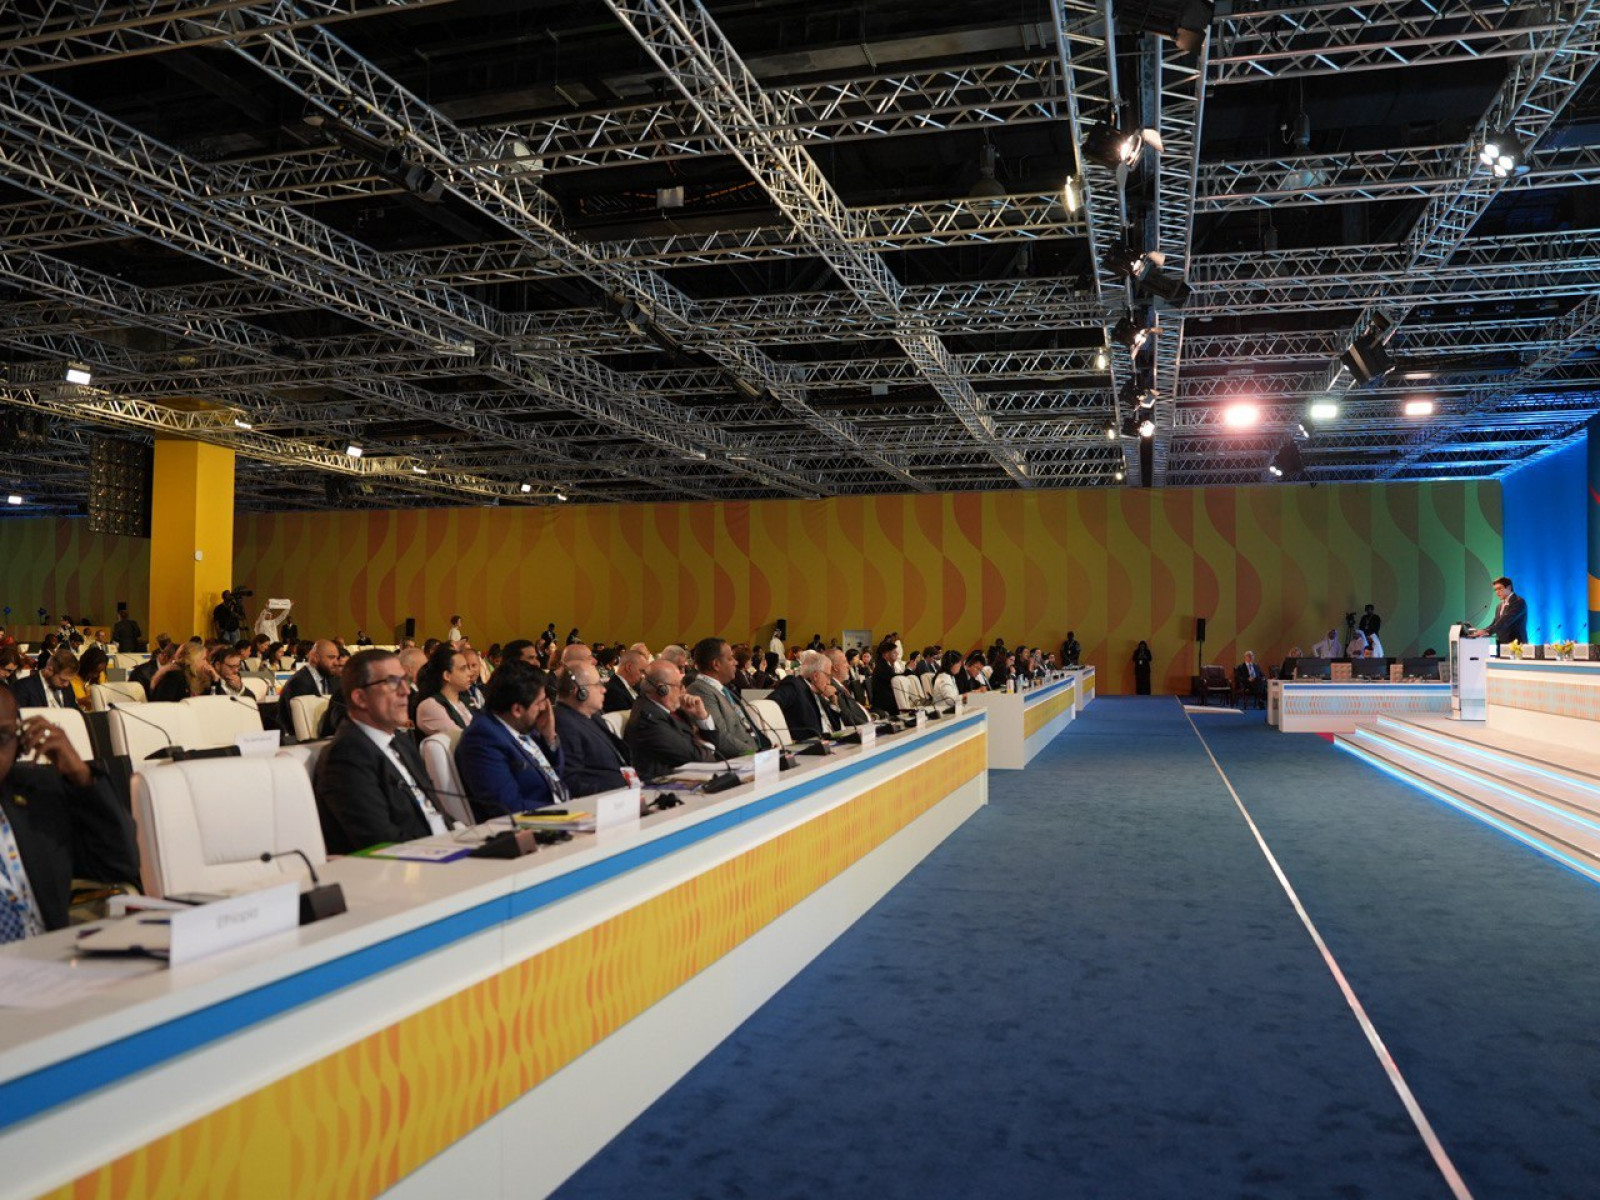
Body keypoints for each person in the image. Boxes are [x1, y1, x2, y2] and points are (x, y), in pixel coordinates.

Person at [0, 688, 140, 939]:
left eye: (1, 737)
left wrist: (81, 777)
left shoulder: (36, 793)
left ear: (20, 743)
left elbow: (118, 865)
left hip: (52, 956)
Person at [314, 650, 453, 854]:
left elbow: (433, 811)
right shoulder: (345, 757)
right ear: (360, 698)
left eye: (405, 680)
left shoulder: (401, 741)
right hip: (414, 862)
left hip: (447, 847)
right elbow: (380, 842)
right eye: (393, 682)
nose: (406, 691)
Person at [455, 662, 567, 819]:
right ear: (517, 710)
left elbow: (556, 776)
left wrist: (549, 737)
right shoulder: (482, 740)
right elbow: (509, 807)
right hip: (540, 823)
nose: (545, 708)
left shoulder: (523, 725)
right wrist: (566, 811)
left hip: (562, 810)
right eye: (539, 702)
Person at [624, 661, 721, 780]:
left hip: (692, 776)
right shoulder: (648, 720)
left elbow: (714, 749)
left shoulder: (673, 710)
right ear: (662, 689)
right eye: (679, 686)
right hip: (665, 784)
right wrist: (705, 746)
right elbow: (697, 758)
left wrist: (702, 717)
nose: (684, 690)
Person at [552, 663, 634, 798]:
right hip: (605, 798)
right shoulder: (564, 724)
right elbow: (573, 781)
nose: (604, 690)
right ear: (580, 691)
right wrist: (620, 791)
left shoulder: (593, 716)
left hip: (625, 790)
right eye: (597, 685)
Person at [688, 637, 772, 757]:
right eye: (730, 658)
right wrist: (757, 754)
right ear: (716, 664)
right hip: (742, 759)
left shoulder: (723, 688)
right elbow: (721, 737)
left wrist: (769, 749)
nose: (736, 663)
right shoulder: (700, 690)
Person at [771, 651, 841, 741]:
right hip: (810, 746)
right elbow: (769, 705)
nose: (829, 682)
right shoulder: (794, 686)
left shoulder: (820, 694)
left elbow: (837, 728)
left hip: (831, 742)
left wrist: (833, 701)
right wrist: (784, 738)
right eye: (828, 676)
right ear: (816, 676)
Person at [414, 644, 477, 736]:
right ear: (447, 675)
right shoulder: (430, 706)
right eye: (463, 669)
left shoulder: (468, 701)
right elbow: (462, 739)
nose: (470, 673)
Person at [1470, 576, 1529, 645]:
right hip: (1501, 644)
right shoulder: (1499, 606)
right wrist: (1483, 631)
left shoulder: (1518, 602)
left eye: (1500, 588)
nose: (1497, 592)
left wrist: (1487, 631)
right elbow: (1495, 623)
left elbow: (1505, 621)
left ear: (1509, 588)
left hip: (1516, 645)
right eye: (1495, 590)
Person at [14, 649, 78, 710]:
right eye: (63, 680)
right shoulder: (23, 688)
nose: (66, 684)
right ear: (49, 670)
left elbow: (75, 710)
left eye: (69, 680)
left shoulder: (67, 688)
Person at [825, 649, 873, 726]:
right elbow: (849, 717)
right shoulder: (834, 688)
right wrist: (869, 724)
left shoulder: (839, 685)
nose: (848, 666)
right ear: (836, 667)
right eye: (845, 662)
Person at [869, 638, 900, 715]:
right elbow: (894, 679)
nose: (897, 654)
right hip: (883, 702)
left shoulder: (887, 664)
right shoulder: (882, 666)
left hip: (887, 698)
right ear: (886, 654)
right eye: (894, 652)